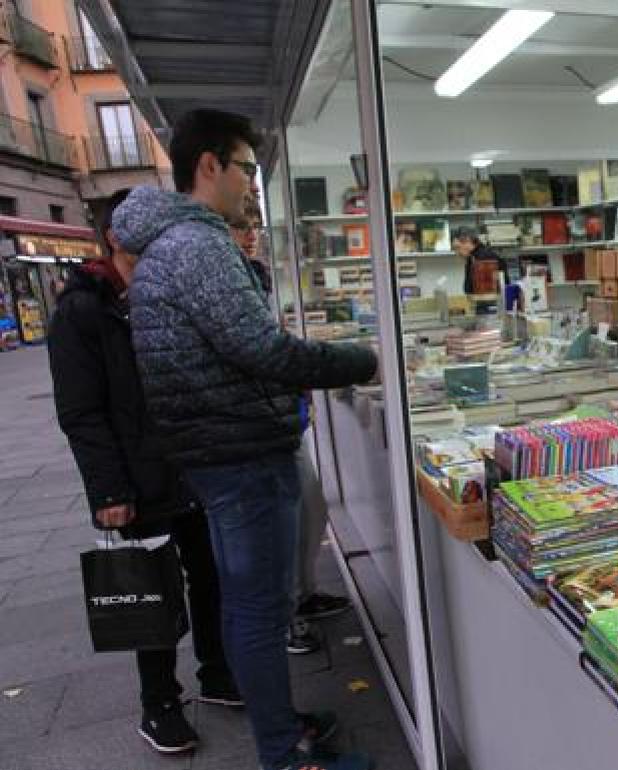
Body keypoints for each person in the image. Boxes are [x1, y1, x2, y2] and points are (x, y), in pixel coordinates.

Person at [114, 108, 377, 770]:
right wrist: (362, 360)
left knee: (248, 606)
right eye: (246, 168)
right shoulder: (198, 246)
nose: (251, 184)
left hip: (217, 454)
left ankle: (281, 727)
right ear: (210, 166)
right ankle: (286, 754)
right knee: (259, 611)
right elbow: (259, 347)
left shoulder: (164, 249)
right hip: (243, 458)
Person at [47, 188, 240, 755]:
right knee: (151, 591)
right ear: (117, 236)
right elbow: (81, 412)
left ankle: (217, 673)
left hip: (191, 467)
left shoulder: (159, 294)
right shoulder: (83, 310)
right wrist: (109, 489)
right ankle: (158, 703)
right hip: (135, 479)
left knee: (209, 577)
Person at [229, 208, 350, 657]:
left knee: (310, 505)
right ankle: (285, 618)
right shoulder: (226, 282)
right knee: (279, 522)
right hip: (255, 428)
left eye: (254, 226)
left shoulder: (254, 277)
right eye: (242, 226)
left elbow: (274, 341)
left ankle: (303, 593)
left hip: (280, 417)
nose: (251, 235)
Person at [451, 224, 500, 295]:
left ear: (467, 240)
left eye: (458, 248)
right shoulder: (472, 257)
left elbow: (486, 291)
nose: (457, 253)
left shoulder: (485, 258)